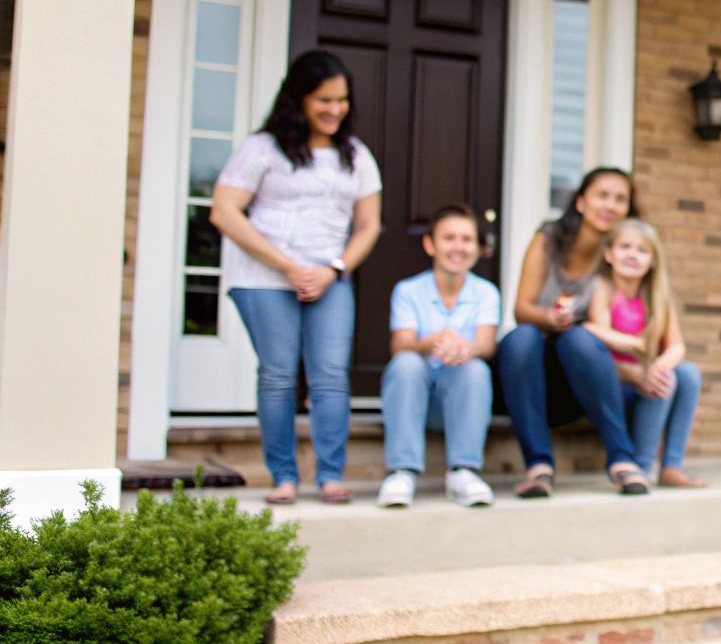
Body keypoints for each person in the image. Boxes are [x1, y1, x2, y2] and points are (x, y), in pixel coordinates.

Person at [211, 49, 382, 505]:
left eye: (342, 100)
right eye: (324, 100)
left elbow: (369, 226)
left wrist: (335, 268)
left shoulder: (356, 156)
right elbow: (224, 212)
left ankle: (330, 476)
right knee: (279, 376)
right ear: (300, 98)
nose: (335, 109)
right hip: (265, 278)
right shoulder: (262, 149)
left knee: (330, 377)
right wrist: (286, 265)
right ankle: (283, 477)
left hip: (330, 280)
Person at [496, 167, 650, 496]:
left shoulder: (620, 256)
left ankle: (622, 459)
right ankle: (539, 467)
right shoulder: (547, 240)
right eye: (602, 196)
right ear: (581, 202)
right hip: (532, 369)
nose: (610, 205)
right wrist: (550, 318)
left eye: (620, 199)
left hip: (583, 375)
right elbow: (521, 309)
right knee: (520, 337)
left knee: (579, 339)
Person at [377, 205, 500, 509]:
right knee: (405, 363)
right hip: (417, 400)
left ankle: (463, 470)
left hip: (459, 400)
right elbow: (401, 343)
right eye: (449, 238)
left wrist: (463, 348)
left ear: (478, 247)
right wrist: (435, 341)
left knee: (476, 368)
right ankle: (401, 472)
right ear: (430, 244)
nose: (459, 247)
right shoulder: (407, 290)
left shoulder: (486, 292)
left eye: (467, 239)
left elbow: (485, 345)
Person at [585, 218, 704, 488]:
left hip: (647, 379)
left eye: (642, 250)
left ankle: (671, 466)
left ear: (652, 260)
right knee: (667, 379)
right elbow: (597, 335)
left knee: (687, 373)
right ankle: (641, 465)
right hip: (616, 382)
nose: (632, 254)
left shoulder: (657, 297)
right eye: (625, 246)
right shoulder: (602, 288)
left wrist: (658, 366)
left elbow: (677, 346)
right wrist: (636, 345)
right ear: (609, 254)